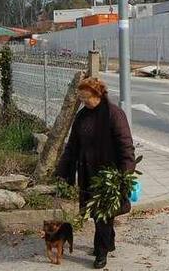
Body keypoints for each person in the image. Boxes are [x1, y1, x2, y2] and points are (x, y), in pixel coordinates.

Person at [56, 76, 136, 269]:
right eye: (81, 99)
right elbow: (72, 145)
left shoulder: (114, 115)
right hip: (87, 173)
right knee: (97, 213)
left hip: (109, 175)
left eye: (85, 98)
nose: (83, 102)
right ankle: (109, 242)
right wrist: (64, 169)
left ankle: (101, 252)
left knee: (103, 215)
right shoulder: (82, 116)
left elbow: (126, 145)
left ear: (97, 95)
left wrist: (125, 172)